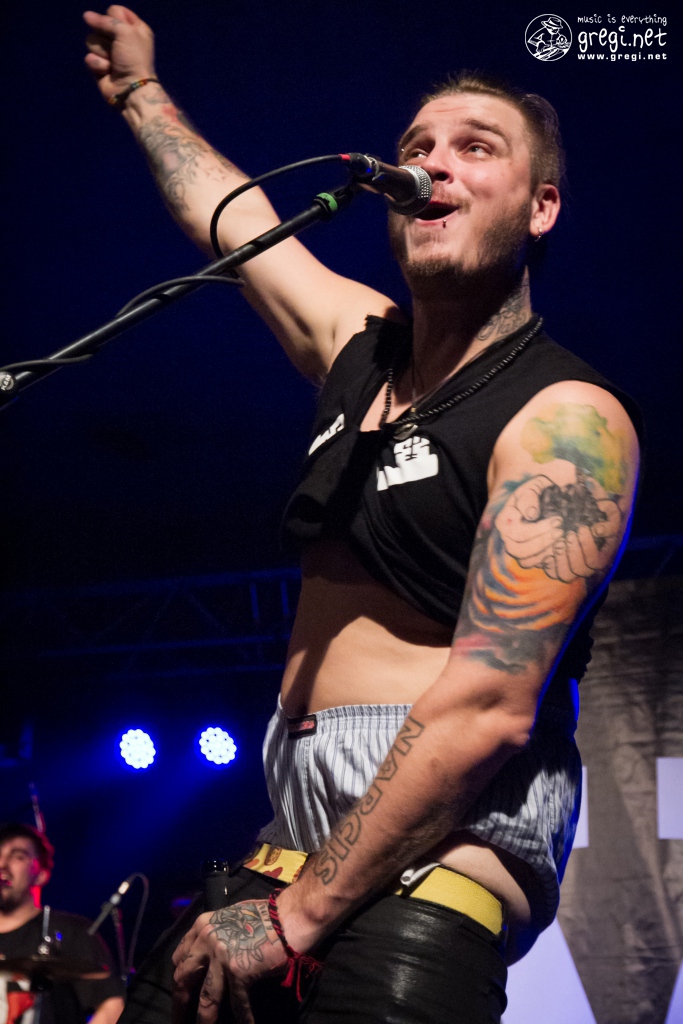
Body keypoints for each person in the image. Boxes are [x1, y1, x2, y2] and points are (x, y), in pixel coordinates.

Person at [82, 7, 641, 1023]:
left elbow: (488, 705)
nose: (432, 165)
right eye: (416, 147)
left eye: (476, 148)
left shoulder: (564, 418)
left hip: (439, 844)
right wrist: (138, 94)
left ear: (540, 207)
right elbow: (235, 221)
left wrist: (298, 916)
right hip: (291, 837)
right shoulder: (362, 345)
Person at [0, 823, 125, 1024]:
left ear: (41, 874)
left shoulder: (72, 931)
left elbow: (112, 1006)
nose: (2, 864)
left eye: (18, 856)